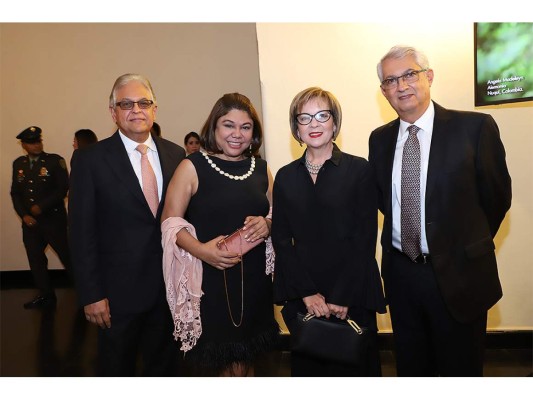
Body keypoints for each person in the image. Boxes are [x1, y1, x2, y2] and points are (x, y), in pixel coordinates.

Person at [368, 46, 512, 377]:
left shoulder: (474, 128)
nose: (402, 85)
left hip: (460, 274)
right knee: (412, 369)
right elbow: (383, 201)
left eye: (409, 74)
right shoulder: (379, 140)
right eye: (391, 80)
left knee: (459, 371)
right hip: (402, 276)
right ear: (384, 91)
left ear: (428, 76)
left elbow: (497, 198)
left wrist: (460, 242)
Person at [68, 73, 186, 376]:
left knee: (167, 370)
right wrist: (92, 294)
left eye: (144, 102)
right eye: (126, 104)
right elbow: (81, 234)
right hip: (116, 298)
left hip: (169, 292)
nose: (137, 110)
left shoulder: (177, 155)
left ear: (155, 108)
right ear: (113, 112)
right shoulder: (89, 160)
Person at [272, 87, 387, 377]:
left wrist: (341, 296)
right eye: (305, 118)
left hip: (352, 290)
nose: (314, 124)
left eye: (322, 115)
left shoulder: (359, 170)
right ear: (295, 128)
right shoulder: (285, 176)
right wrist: (308, 293)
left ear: (334, 123)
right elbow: (282, 239)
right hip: (304, 294)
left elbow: (364, 239)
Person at [161, 93, 278, 377]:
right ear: (214, 127)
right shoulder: (192, 166)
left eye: (246, 127)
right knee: (225, 362)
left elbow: (277, 213)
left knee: (248, 358)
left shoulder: (261, 168)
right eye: (228, 125)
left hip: (255, 281)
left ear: (254, 132)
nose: (237, 134)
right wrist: (203, 251)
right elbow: (170, 223)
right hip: (212, 280)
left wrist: (268, 224)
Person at [11, 126, 71, 309]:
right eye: (31, 142)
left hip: (53, 221)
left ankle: (86, 294)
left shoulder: (54, 161)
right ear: (24, 145)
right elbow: (15, 193)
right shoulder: (18, 164)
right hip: (31, 224)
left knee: (68, 257)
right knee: (36, 260)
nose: (36, 145)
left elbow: (63, 188)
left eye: (38, 141)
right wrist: (24, 215)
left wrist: (41, 206)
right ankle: (46, 295)